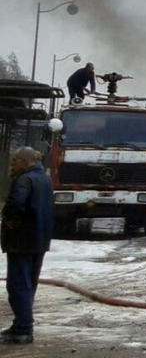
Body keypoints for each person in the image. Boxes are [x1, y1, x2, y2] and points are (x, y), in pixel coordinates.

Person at [1, 147, 54, 345]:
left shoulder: (24, 180)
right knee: (28, 285)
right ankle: (20, 325)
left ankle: (23, 329)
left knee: (18, 286)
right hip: (39, 240)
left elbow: (16, 204)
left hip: (21, 241)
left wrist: (9, 222)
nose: (11, 166)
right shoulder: (45, 179)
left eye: (15, 162)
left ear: (25, 161)